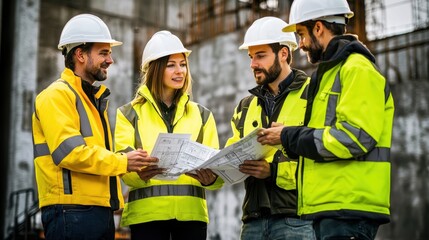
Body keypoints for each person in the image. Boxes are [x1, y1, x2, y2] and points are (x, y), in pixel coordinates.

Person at [258, 1, 395, 239]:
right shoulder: (331, 73)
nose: (299, 44)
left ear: (319, 28)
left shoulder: (357, 70)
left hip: (349, 209)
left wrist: (289, 135)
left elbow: (354, 138)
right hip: (331, 210)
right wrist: (289, 133)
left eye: (301, 34)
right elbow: (326, 133)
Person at [32, 14, 158, 240]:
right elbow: (70, 153)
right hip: (71, 212)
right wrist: (123, 161)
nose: (110, 60)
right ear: (80, 54)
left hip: (97, 211)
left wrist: (131, 163)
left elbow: (94, 155)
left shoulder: (91, 100)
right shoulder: (56, 95)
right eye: (104, 53)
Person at [114, 30, 223, 240]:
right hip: (147, 217)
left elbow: (217, 167)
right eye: (171, 65)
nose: (180, 71)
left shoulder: (202, 115)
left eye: (182, 64)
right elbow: (122, 164)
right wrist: (139, 173)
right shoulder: (128, 114)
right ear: (155, 69)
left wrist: (211, 179)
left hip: (191, 216)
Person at [225, 16, 315, 240]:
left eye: (260, 55)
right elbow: (231, 157)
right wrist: (212, 175)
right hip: (253, 222)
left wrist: (273, 172)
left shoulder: (313, 95)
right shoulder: (244, 107)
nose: (253, 64)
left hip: (298, 219)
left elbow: (321, 157)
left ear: (283, 53)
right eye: (251, 57)